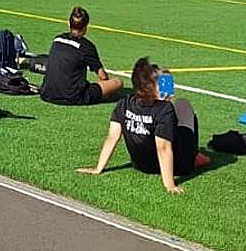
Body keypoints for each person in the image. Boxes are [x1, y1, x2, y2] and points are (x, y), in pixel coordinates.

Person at [76, 57, 209, 194]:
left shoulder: (124, 103)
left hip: (142, 165)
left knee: (174, 108)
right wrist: (170, 185)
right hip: (179, 167)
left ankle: (192, 155)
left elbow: (112, 137)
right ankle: (194, 157)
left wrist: (98, 168)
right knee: (183, 103)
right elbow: (163, 149)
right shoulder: (165, 109)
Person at [39, 6, 122, 106]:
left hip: (46, 93)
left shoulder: (57, 39)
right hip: (73, 97)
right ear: (86, 27)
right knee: (118, 82)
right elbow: (102, 76)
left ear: (68, 23)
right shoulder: (86, 47)